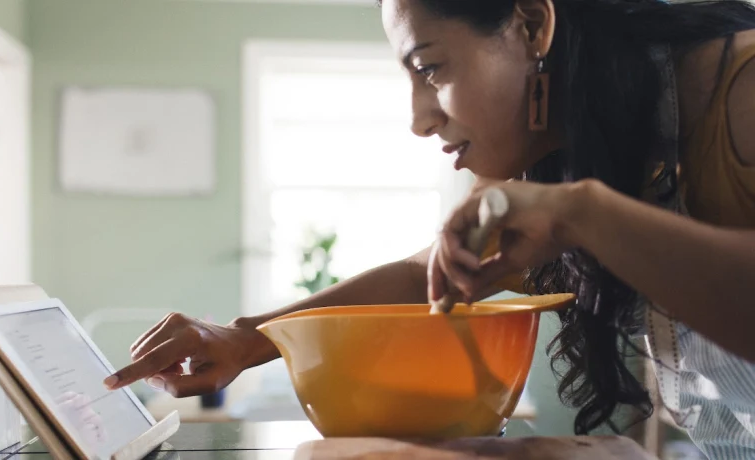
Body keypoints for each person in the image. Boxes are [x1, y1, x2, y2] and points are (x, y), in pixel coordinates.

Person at [104, 0, 755, 456]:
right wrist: (245, 340)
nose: (419, 118)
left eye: (431, 68)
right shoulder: (568, 153)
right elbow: (428, 274)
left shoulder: (742, 90)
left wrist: (582, 213)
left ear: (532, 23)